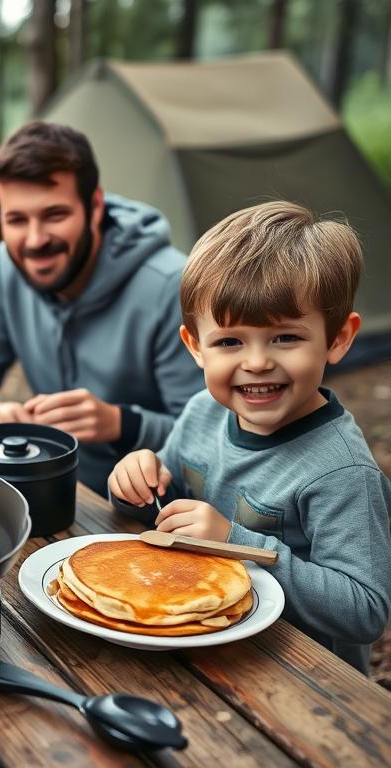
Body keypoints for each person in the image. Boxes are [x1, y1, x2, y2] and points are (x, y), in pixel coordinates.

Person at [107, 201, 391, 674]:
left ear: (339, 338)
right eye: (230, 342)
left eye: (285, 338)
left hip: (304, 676)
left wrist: (232, 540)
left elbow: (364, 611)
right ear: (196, 346)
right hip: (207, 634)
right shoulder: (202, 412)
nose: (256, 362)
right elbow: (171, 508)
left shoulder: (342, 472)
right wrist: (136, 485)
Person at [0, 122, 203, 494]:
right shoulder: (8, 266)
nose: (35, 239)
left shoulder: (170, 286)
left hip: (146, 516)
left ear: (94, 206)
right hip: (51, 490)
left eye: (54, 215)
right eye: (16, 220)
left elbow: (214, 438)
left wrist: (122, 424)